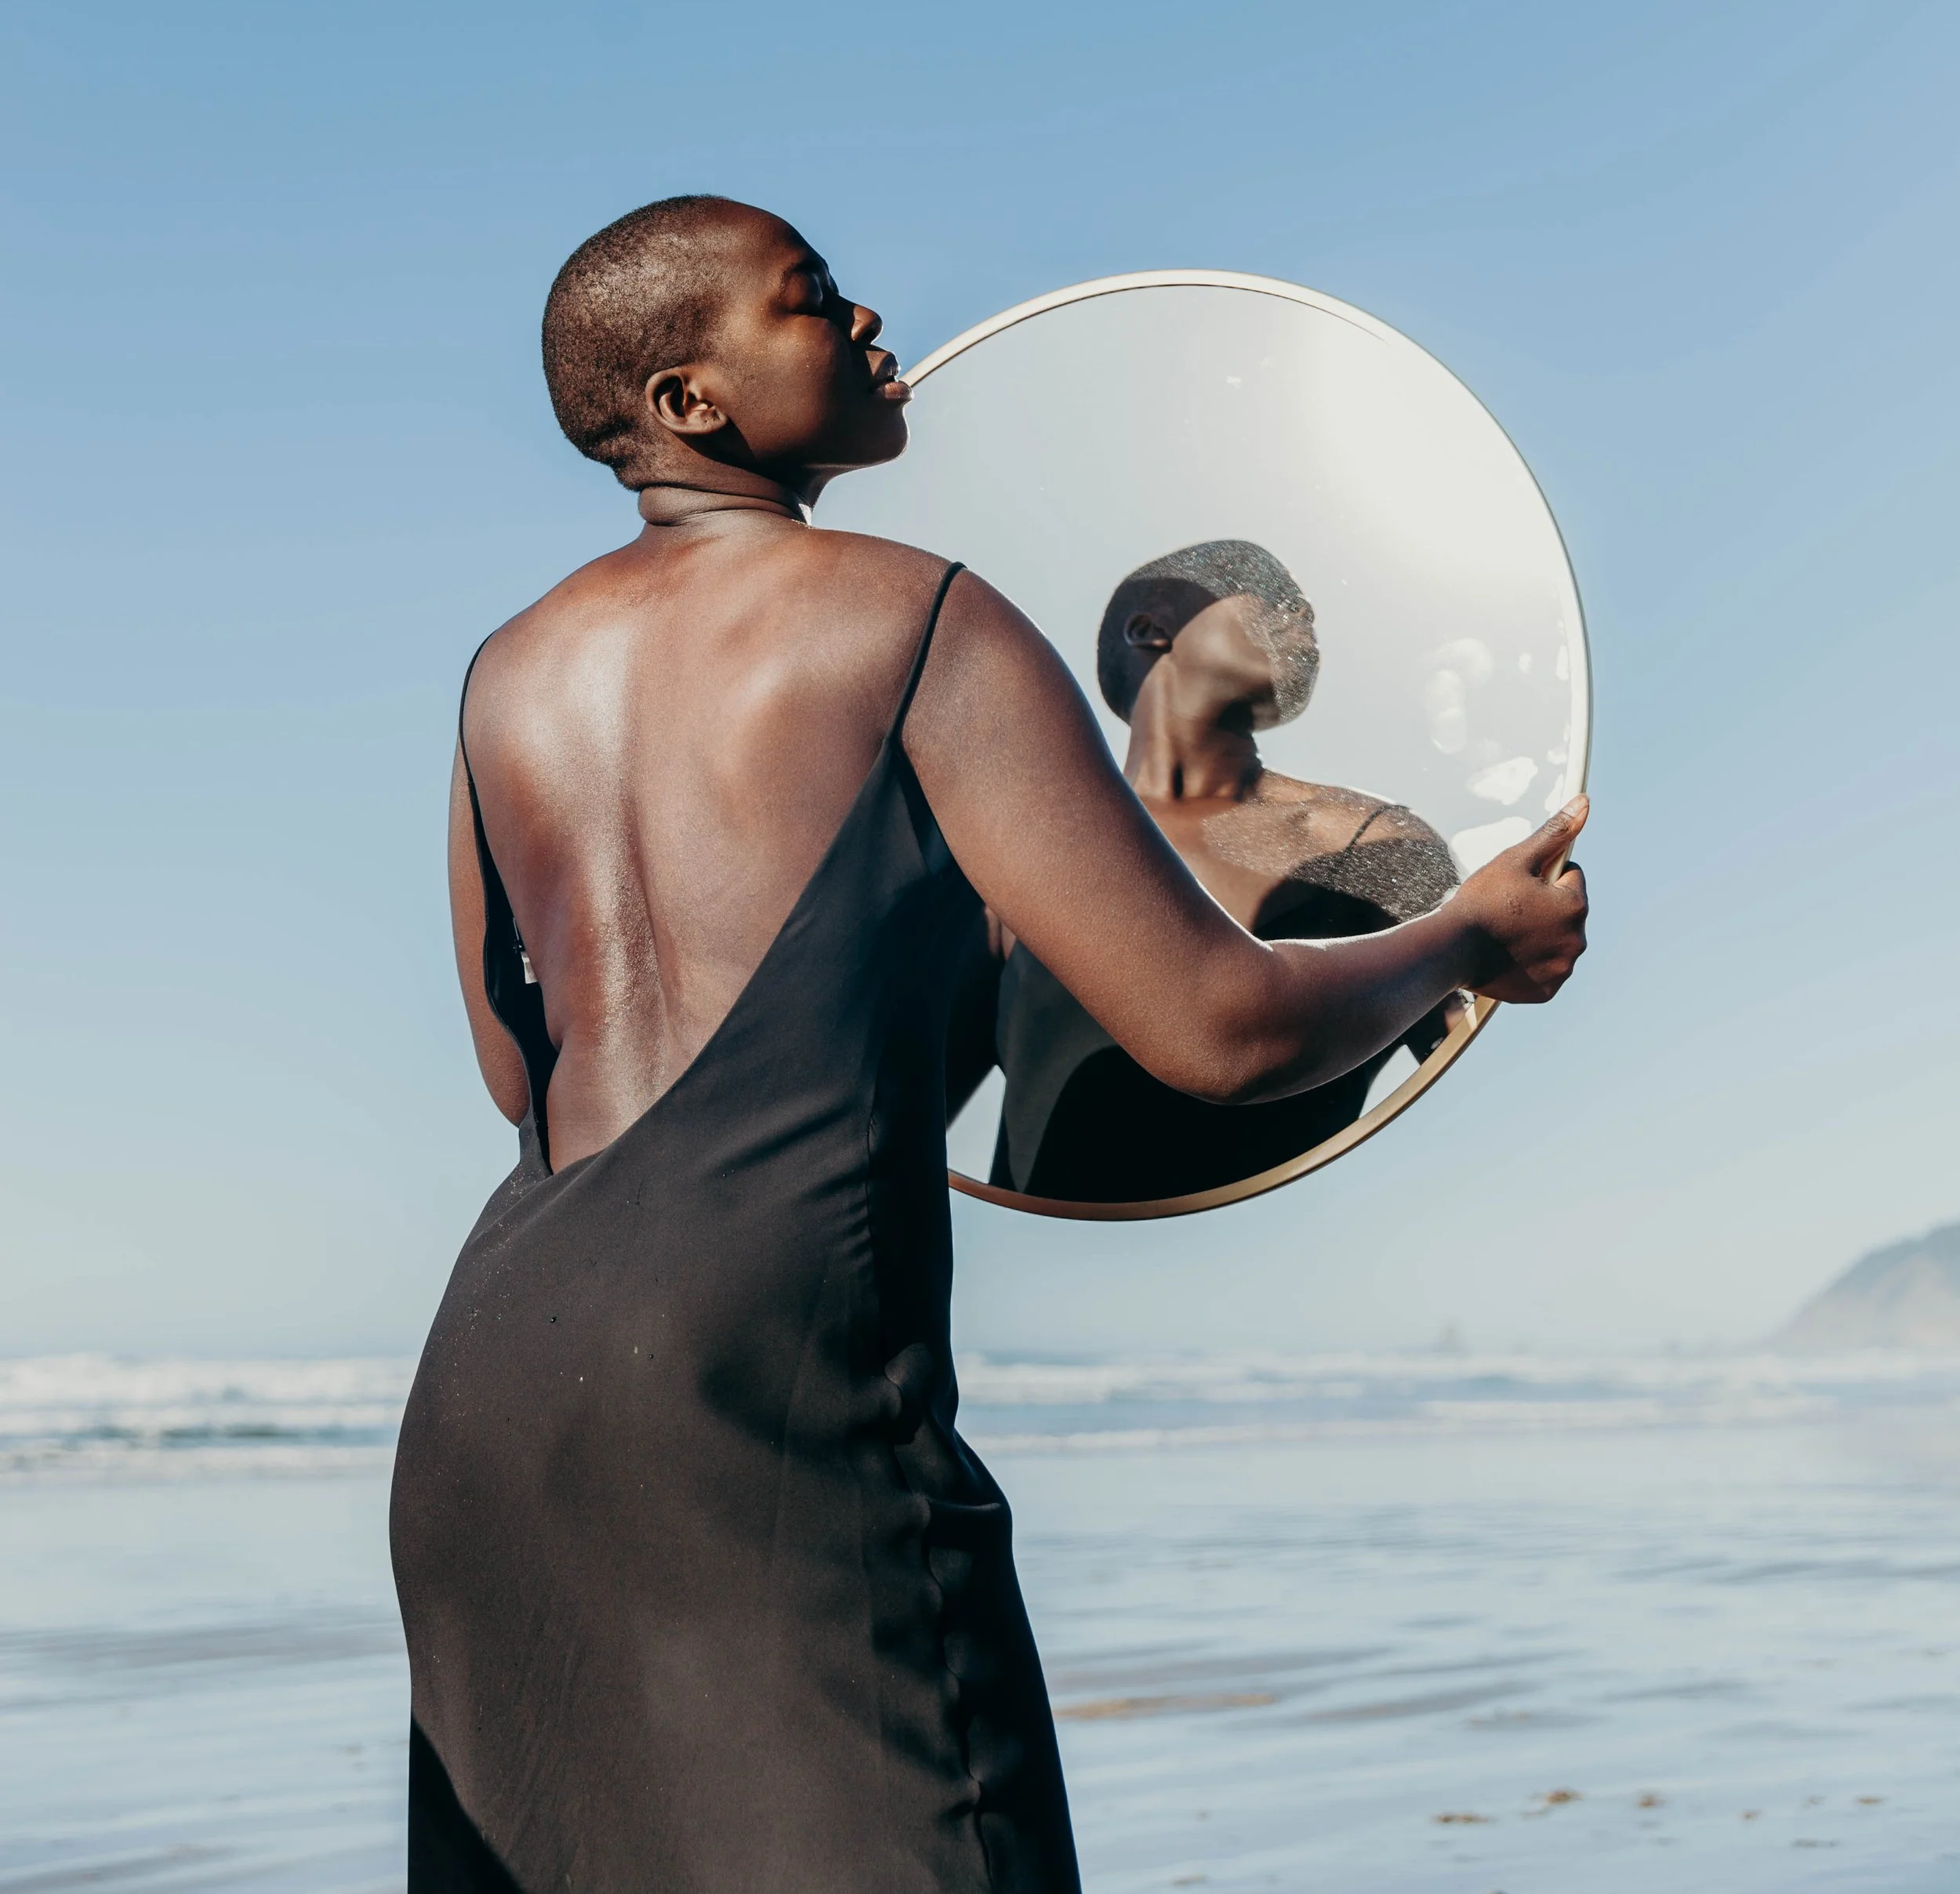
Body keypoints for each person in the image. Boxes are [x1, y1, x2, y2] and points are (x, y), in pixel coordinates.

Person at [390, 194, 1589, 1894]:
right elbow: (1216, 1031)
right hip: (771, 1386)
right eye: (810, 300)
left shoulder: (506, 672)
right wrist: (1466, 934)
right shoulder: (911, 616)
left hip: (498, 1395)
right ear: (686, 403)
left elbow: (523, 1075)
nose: (870, 320)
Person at [987, 541, 1468, 1206]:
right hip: (1040, 1287)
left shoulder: (1377, 845)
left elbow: (1477, 1071)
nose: (1303, 611)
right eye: (1264, 587)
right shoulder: (1010, 865)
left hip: (1275, 1283)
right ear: (1151, 629)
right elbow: (892, 1110)